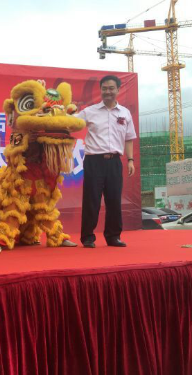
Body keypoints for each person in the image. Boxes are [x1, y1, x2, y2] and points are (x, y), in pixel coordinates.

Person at [77, 75, 137, 248]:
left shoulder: (125, 113)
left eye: (111, 88)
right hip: (93, 161)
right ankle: (88, 237)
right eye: (104, 88)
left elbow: (129, 139)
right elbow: (72, 124)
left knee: (114, 200)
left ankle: (113, 236)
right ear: (101, 90)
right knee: (91, 200)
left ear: (118, 90)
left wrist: (130, 160)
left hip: (114, 162)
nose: (107, 91)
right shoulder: (89, 111)